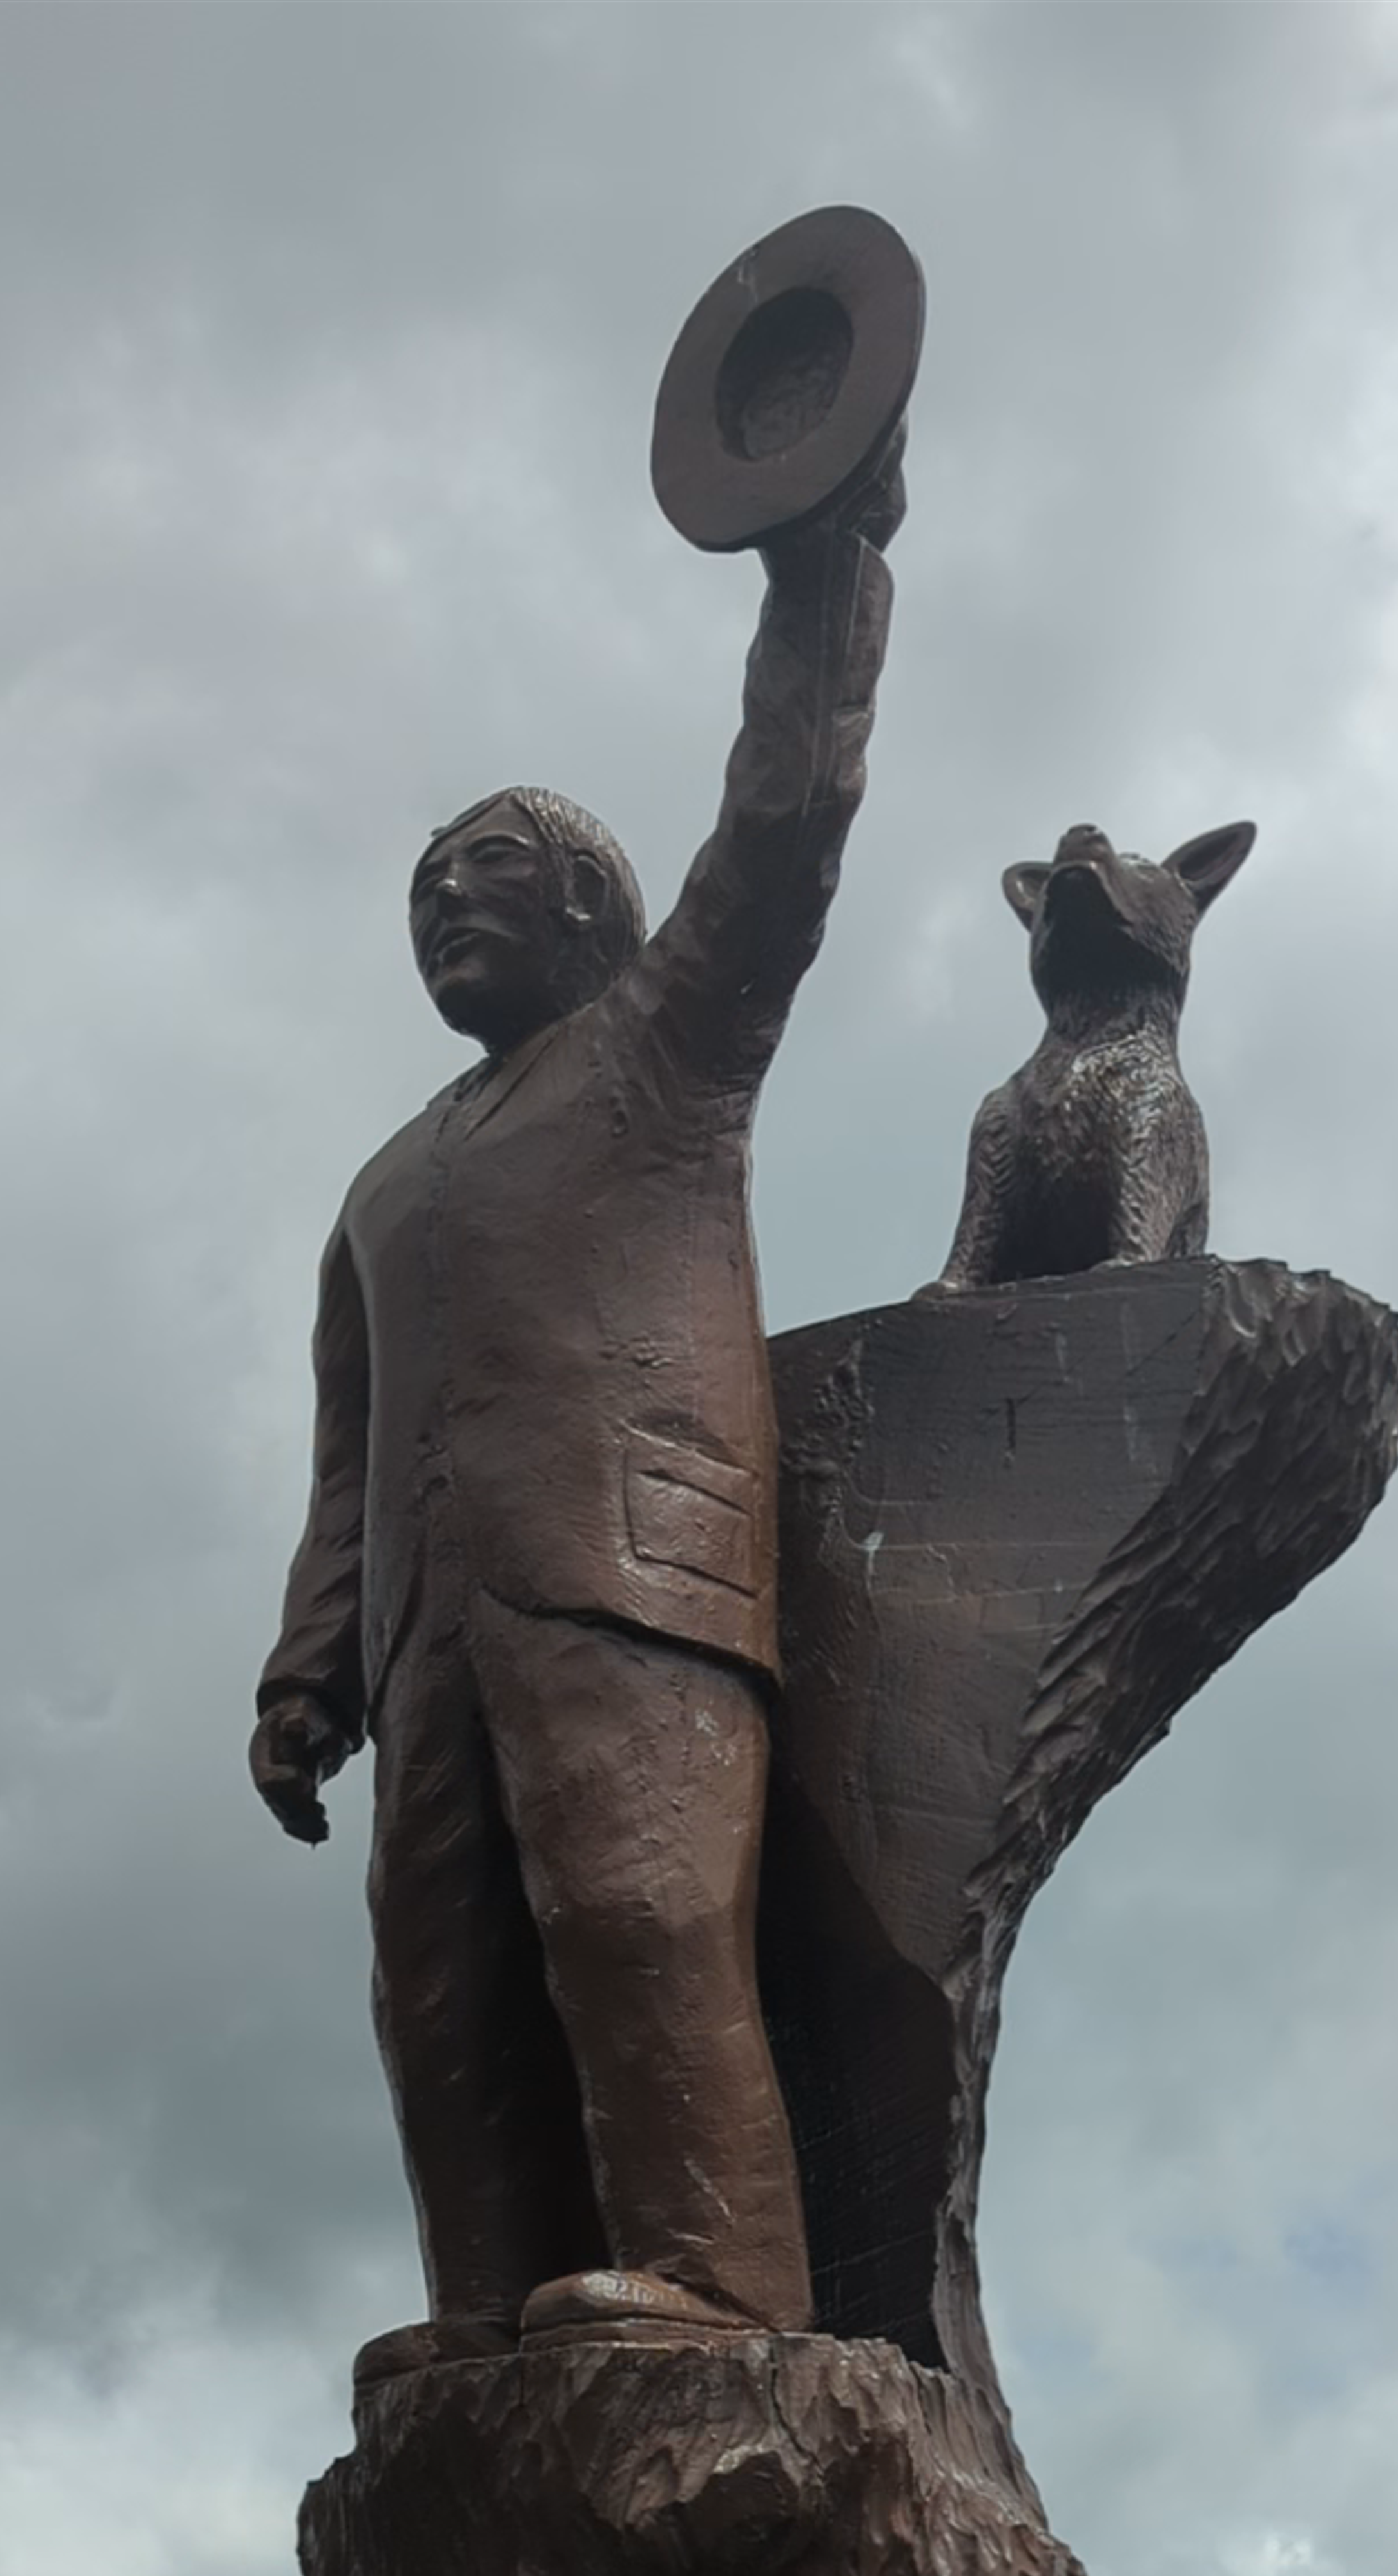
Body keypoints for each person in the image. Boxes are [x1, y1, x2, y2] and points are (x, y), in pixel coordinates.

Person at [249, 443, 903, 2366]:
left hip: (633, 1574)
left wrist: (821, 565)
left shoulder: (665, 1051)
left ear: (595, 909)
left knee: (632, 1921)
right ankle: (487, 2307)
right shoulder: (379, 1186)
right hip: (423, 1634)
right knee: (440, 1987)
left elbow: (784, 821)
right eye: (427, 883)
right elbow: (344, 1461)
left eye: (493, 870)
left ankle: (721, 2286)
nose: (448, 898)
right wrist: (307, 1677)